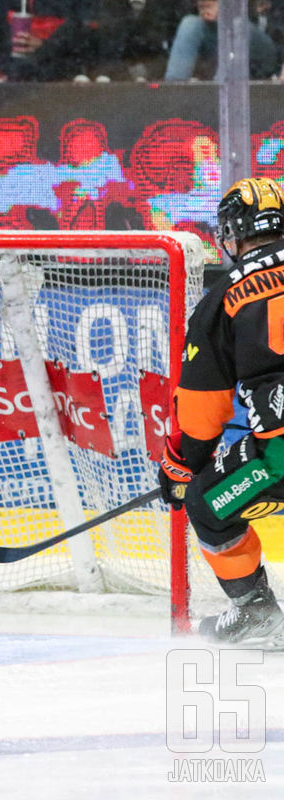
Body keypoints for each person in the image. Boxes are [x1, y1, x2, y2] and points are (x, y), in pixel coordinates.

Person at [158, 176, 284, 646]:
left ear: (233, 233)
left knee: (207, 501)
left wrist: (181, 464)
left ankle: (256, 614)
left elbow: (202, 410)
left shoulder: (225, 296)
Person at [163, 0, 280, 80]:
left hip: (257, 44)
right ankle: (173, 91)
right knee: (190, 23)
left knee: (238, 26)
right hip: (216, 38)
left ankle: (220, 94)